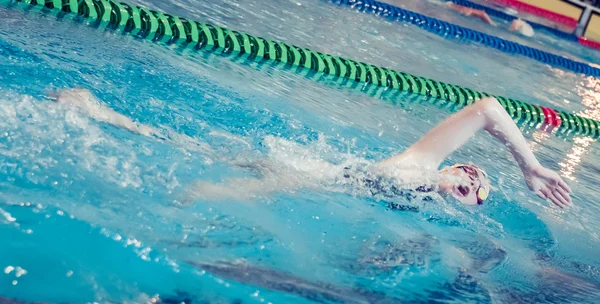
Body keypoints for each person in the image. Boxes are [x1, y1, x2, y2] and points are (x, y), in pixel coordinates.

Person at [53, 89, 572, 208]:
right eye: (474, 176)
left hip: (314, 172)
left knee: (195, 149)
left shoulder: (421, 201)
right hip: (307, 176)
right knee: (209, 179)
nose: (473, 185)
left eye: (476, 192)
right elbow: (486, 108)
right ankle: (95, 112)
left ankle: (98, 112)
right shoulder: (418, 165)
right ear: (457, 165)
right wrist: (529, 164)